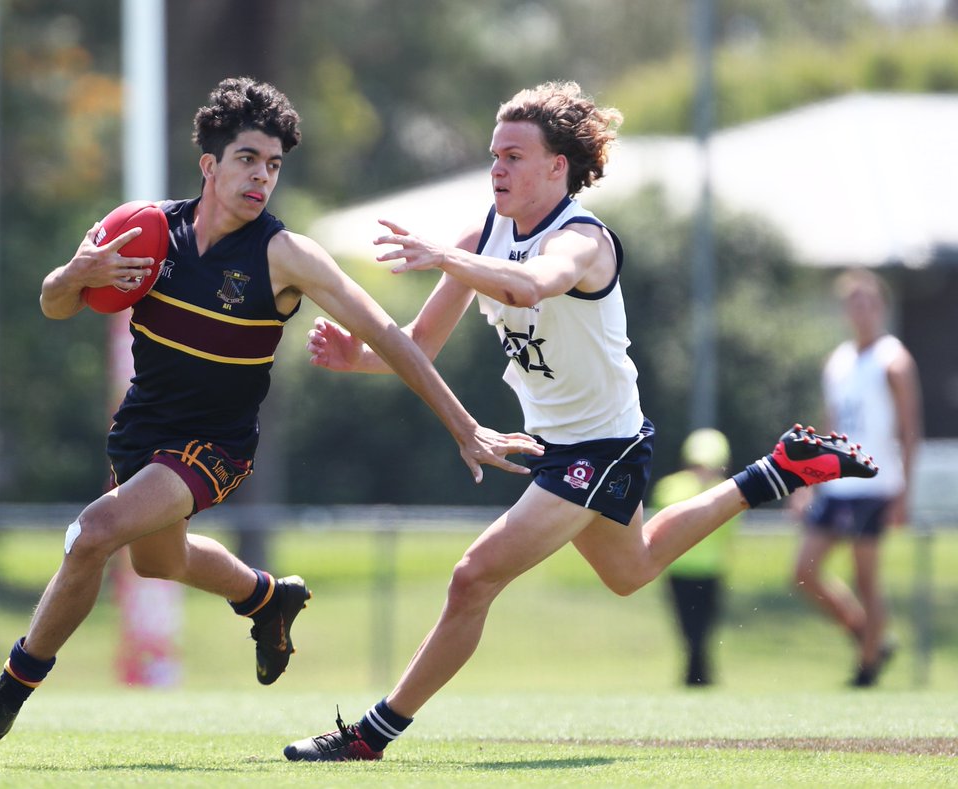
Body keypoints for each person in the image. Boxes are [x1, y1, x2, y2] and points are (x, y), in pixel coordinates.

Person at [283, 80, 878, 762]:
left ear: (555, 167)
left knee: (472, 576)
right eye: (493, 155)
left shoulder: (584, 241)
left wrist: (445, 257)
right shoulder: (482, 234)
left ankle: (371, 733)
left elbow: (531, 284)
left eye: (512, 156)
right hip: (560, 446)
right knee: (634, 569)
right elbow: (417, 348)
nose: (496, 168)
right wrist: (354, 356)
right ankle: (773, 471)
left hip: (603, 446)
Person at [0, 77, 543, 742]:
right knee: (158, 564)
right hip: (142, 430)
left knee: (94, 532)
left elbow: (391, 337)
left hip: (215, 444)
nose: (262, 177)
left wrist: (466, 427)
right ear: (210, 165)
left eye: (274, 165)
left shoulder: (284, 256)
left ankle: (4, 696)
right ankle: (266, 597)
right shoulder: (146, 232)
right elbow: (55, 303)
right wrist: (76, 272)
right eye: (248, 159)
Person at [790, 269, 921, 688]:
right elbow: (830, 429)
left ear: (880, 307)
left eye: (868, 301)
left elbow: (910, 427)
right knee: (803, 573)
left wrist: (905, 491)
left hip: (875, 482)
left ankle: (866, 671)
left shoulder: (893, 360)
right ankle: (868, 635)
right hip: (837, 482)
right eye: (853, 302)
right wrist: (809, 480)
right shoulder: (839, 360)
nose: (860, 310)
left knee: (866, 577)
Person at [652, 428, 740, 687]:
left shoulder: (668, 486)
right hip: (704, 570)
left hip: (681, 569)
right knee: (700, 630)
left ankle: (696, 676)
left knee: (691, 630)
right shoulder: (725, 491)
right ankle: (699, 677)